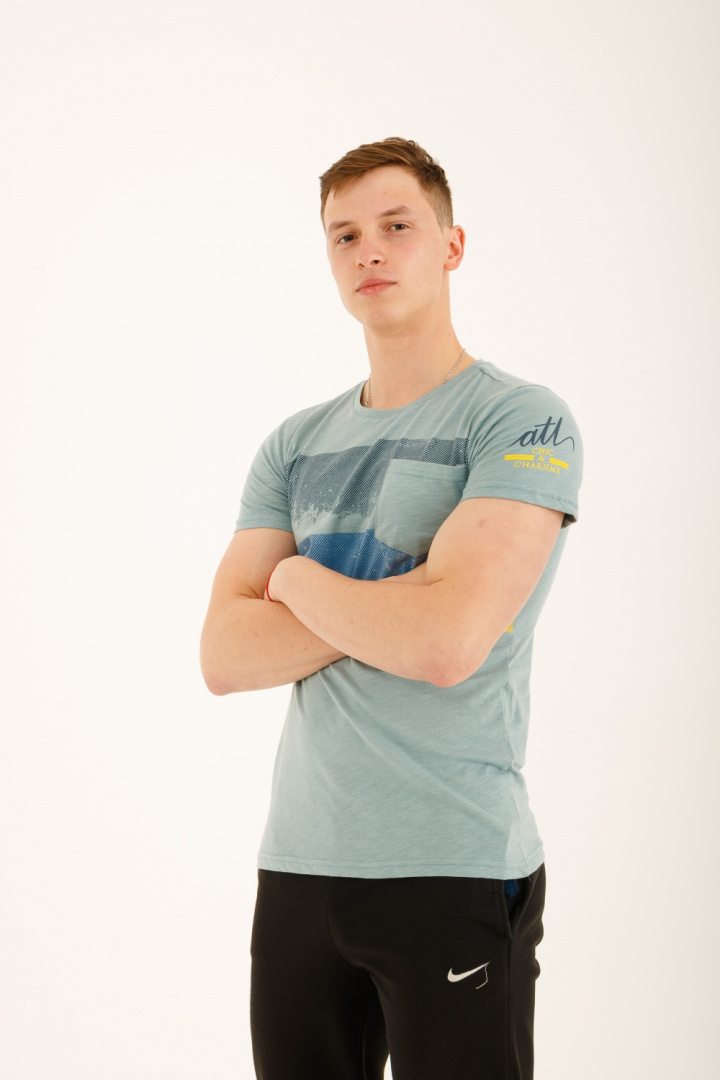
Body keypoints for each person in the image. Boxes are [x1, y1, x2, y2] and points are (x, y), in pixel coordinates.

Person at [200, 137, 582, 1080]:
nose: (368, 250)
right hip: (299, 867)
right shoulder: (293, 444)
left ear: (452, 245)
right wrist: (406, 594)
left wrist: (296, 579)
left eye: (397, 225)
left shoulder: (520, 420)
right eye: (344, 235)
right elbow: (224, 656)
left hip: (450, 862)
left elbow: (447, 644)